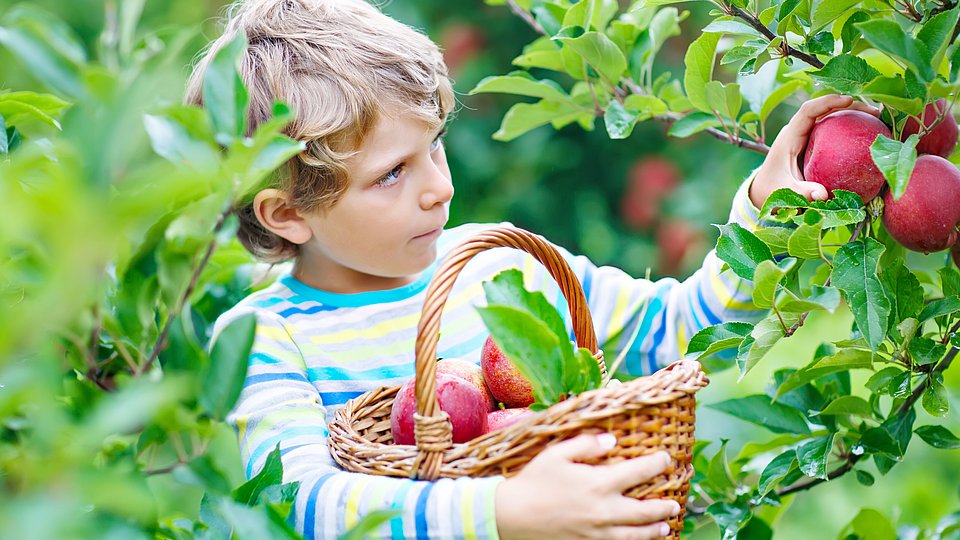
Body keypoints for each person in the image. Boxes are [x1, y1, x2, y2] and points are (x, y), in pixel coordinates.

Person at [188, 1, 879, 538]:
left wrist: (765, 209)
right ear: (287, 215)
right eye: (392, 173)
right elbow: (303, 503)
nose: (439, 187)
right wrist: (500, 513)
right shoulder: (265, 338)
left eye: (434, 147)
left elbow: (683, 331)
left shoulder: (501, 275)